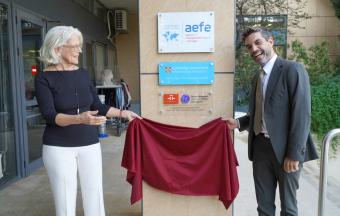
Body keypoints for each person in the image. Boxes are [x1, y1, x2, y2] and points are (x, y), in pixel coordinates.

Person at [35, 26, 140, 216]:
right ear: (58, 49)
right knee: (65, 202)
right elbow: (49, 115)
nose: (80, 50)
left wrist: (124, 114)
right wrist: (79, 118)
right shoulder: (44, 78)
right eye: (75, 46)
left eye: (80, 45)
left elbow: (98, 106)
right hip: (59, 147)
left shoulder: (82, 74)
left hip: (90, 144)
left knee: (95, 195)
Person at [225, 27, 318, 215]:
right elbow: (262, 113)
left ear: (270, 41)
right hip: (260, 149)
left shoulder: (292, 70)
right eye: (249, 47)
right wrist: (239, 123)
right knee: (264, 207)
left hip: (286, 151)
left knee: (289, 209)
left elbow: (302, 114)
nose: (254, 49)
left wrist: (294, 153)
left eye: (257, 42)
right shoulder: (256, 78)